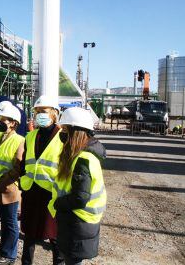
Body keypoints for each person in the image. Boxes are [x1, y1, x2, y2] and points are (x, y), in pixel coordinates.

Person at [48, 107, 107, 265]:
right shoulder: (78, 156)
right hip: (75, 221)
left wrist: (57, 203)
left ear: (76, 133)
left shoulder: (83, 160)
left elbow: (80, 197)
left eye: (65, 130)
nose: (62, 134)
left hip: (78, 221)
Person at [20, 95, 64, 265]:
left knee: (55, 237)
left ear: (54, 113)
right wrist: (23, 180)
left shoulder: (63, 137)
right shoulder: (31, 136)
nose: (39, 115)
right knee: (29, 235)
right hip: (31, 191)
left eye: (43, 111)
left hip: (51, 194)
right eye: (37, 111)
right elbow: (25, 162)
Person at [0, 104, 25, 265]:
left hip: (9, 188)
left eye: (4, 120)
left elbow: (19, 166)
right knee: (5, 223)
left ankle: (9, 256)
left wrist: (4, 181)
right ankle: (3, 252)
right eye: (0, 119)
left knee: (10, 224)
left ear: (13, 123)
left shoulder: (19, 140)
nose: (0, 122)